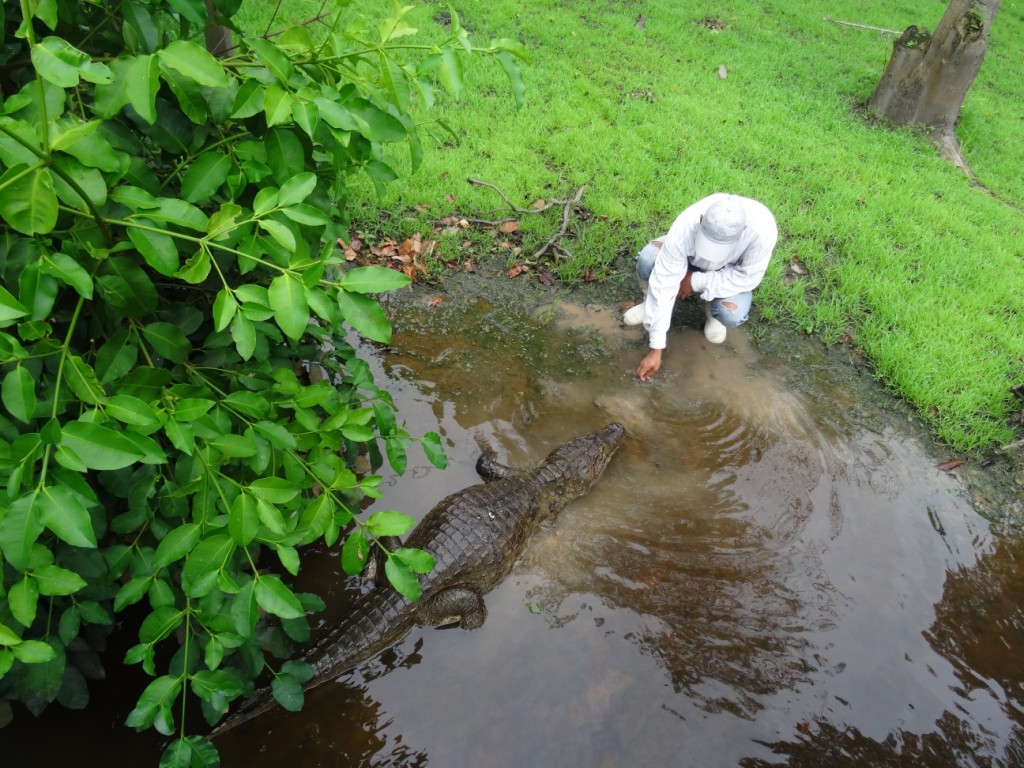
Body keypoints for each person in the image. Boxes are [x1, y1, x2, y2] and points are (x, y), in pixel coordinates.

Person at [624, 193, 778, 381]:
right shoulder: (686, 225)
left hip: (727, 273)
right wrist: (656, 348)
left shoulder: (762, 232)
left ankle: (713, 315)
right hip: (689, 260)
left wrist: (694, 281)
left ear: (743, 230)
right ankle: (648, 304)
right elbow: (665, 281)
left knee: (731, 313)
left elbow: (746, 278)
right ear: (702, 219)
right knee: (649, 259)